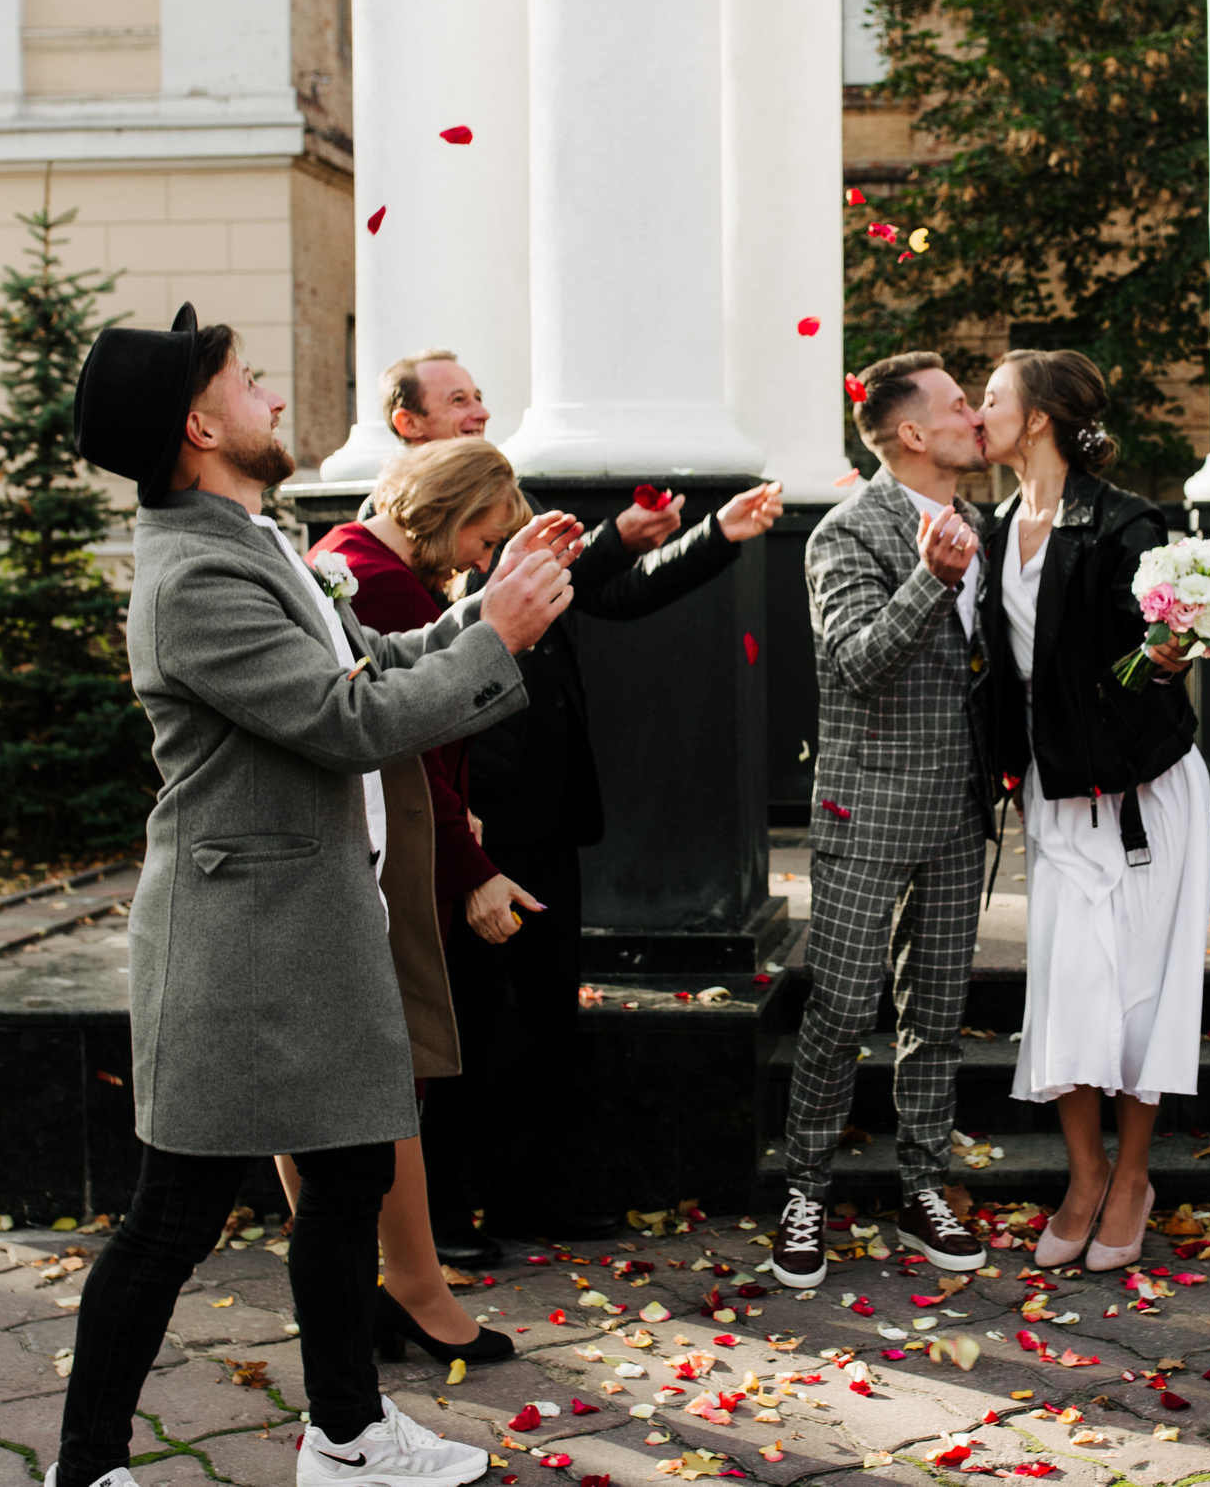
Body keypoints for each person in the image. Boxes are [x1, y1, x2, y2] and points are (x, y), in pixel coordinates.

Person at [61, 305, 573, 1487]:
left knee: (347, 1178)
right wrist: (494, 635)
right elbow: (346, 723)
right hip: (237, 947)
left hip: (317, 926)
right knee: (172, 1219)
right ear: (198, 425)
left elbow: (372, 665)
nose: (272, 398)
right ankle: (85, 1469)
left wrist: (490, 612)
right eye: (247, 383)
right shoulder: (193, 574)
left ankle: (345, 1437)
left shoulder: (257, 539)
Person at [369, 351, 785, 1252]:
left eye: (480, 395)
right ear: (407, 422)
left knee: (546, 1015)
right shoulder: (398, 531)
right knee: (466, 1021)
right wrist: (605, 544)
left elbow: (599, 594)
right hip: (472, 809)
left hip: (548, 804)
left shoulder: (501, 502)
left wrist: (708, 536)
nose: (479, 408)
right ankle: (443, 1213)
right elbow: (480, 610)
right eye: (456, 399)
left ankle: (529, 1193)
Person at [302, 437, 557, 1366]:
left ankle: (390, 1285)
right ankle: (405, 1284)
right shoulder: (377, 580)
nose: (479, 559)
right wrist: (467, 861)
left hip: (407, 836)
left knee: (383, 1074)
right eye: (482, 537)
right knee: (392, 1070)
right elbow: (399, 737)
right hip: (387, 850)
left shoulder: (354, 561)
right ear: (444, 509)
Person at [968, 350, 1210, 1272]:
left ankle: (1135, 1176)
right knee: (1067, 986)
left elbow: (1150, 643)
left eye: (991, 399)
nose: (980, 412)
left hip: (1140, 789)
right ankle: (1084, 1172)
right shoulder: (994, 525)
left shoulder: (1123, 521)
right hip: (1051, 788)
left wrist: (1170, 655)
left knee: (1140, 991)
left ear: (1036, 420)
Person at [773, 352, 991, 1289]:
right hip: (869, 803)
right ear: (912, 432)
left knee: (938, 1011)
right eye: (958, 406)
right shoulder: (843, 532)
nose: (977, 416)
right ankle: (806, 1190)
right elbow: (857, 661)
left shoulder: (983, 522)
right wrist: (932, 581)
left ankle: (922, 1185)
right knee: (841, 1007)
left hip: (959, 804)